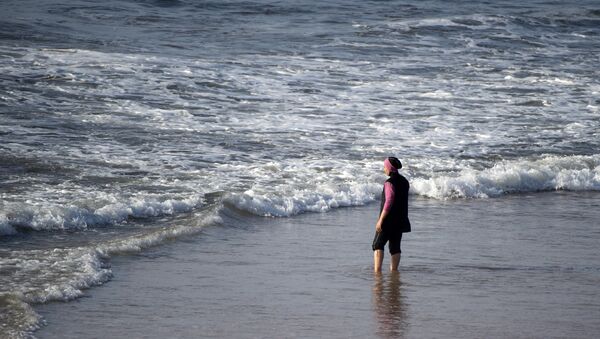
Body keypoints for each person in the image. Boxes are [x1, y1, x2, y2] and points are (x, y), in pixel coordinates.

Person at [372, 157, 411, 273]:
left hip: (388, 220)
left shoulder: (389, 183)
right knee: (395, 247)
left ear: (389, 168)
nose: (384, 169)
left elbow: (389, 201)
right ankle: (394, 272)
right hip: (400, 219)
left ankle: (377, 273)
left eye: (385, 166)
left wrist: (380, 220)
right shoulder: (405, 181)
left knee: (377, 244)